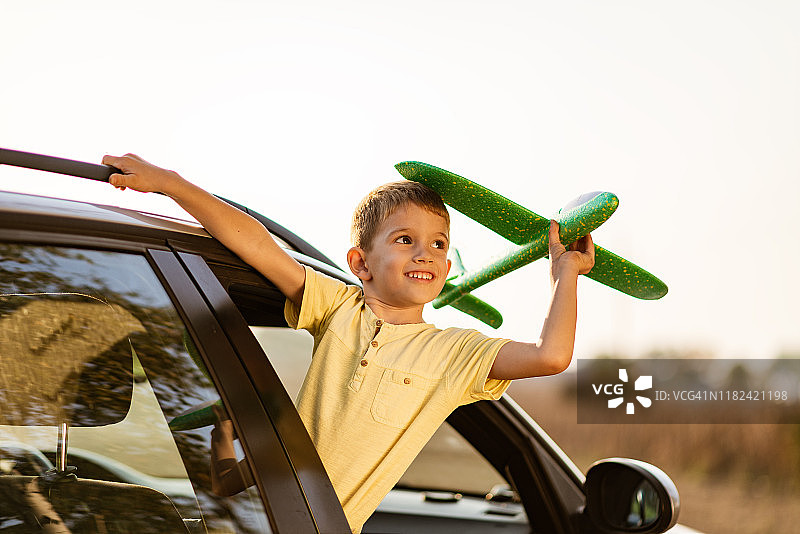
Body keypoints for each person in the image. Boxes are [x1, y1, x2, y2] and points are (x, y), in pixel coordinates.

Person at [102, 153, 595, 533]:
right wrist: (170, 184)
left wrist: (563, 273)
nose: (425, 251)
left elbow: (551, 356)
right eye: (405, 239)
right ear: (360, 263)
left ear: (446, 270)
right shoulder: (337, 308)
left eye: (439, 244)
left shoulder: (454, 353)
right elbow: (258, 247)